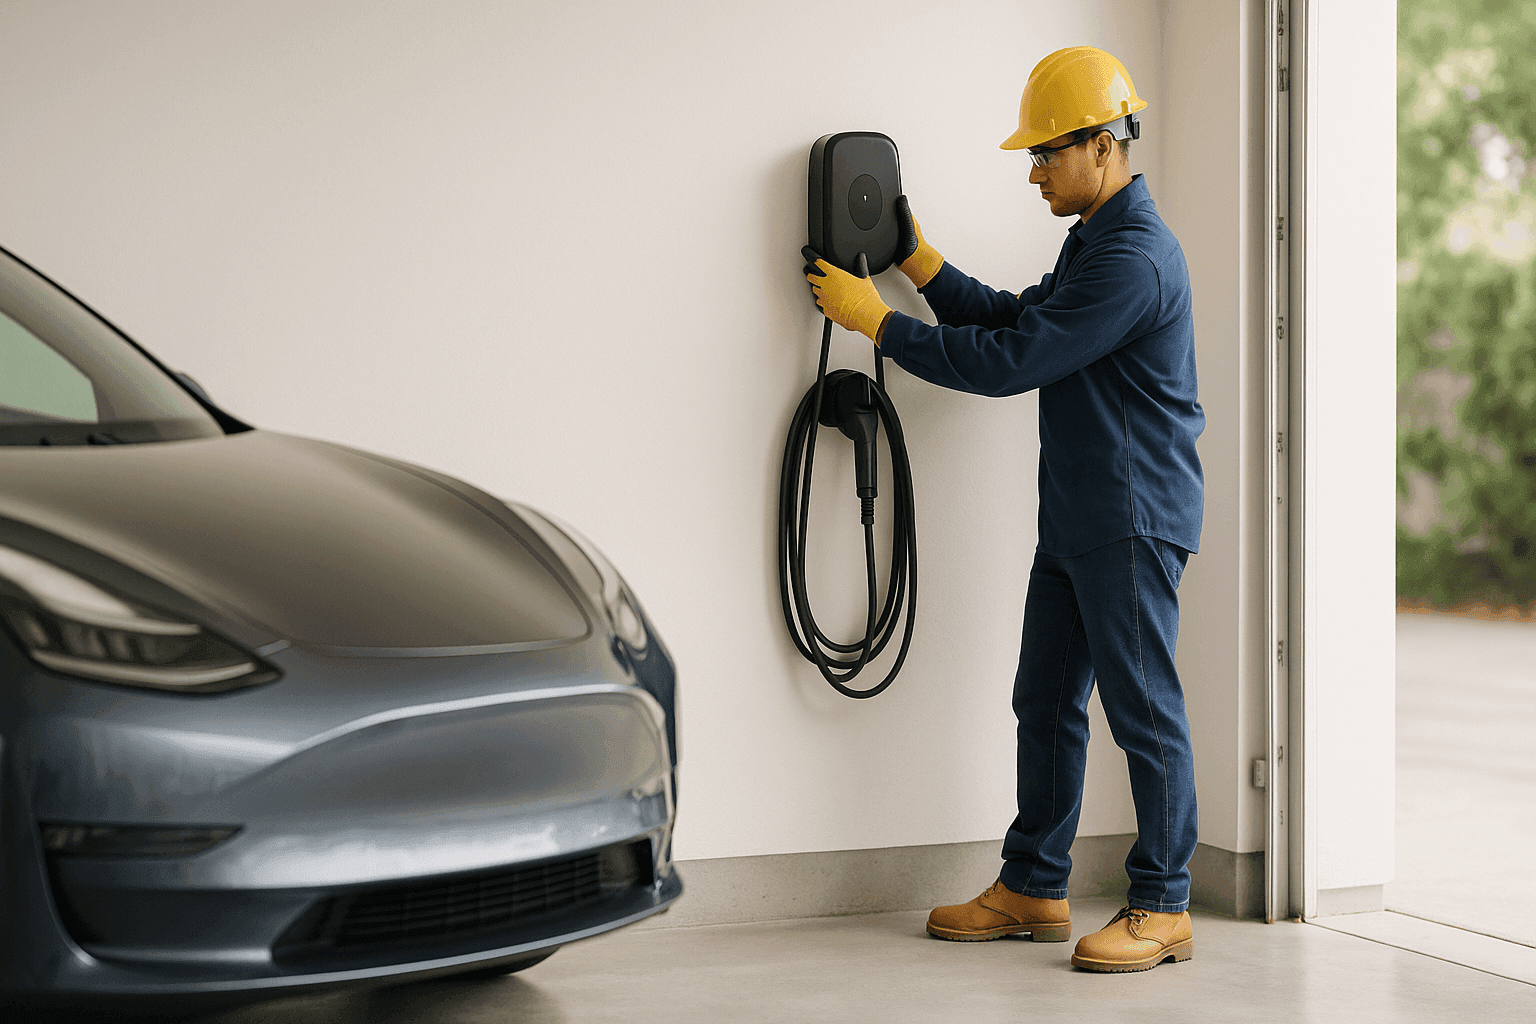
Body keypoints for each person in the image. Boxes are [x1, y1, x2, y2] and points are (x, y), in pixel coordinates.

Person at [803, 45, 1205, 973]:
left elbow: (1011, 363)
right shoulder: (1095, 242)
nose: (1032, 173)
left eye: (1046, 154)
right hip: (1079, 516)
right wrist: (918, 261)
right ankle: (1034, 883)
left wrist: (878, 323)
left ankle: (1163, 905)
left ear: (1103, 146)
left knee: (1144, 711)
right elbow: (1012, 319)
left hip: (1132, 519)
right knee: (1046, 702)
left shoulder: (1136, 260)